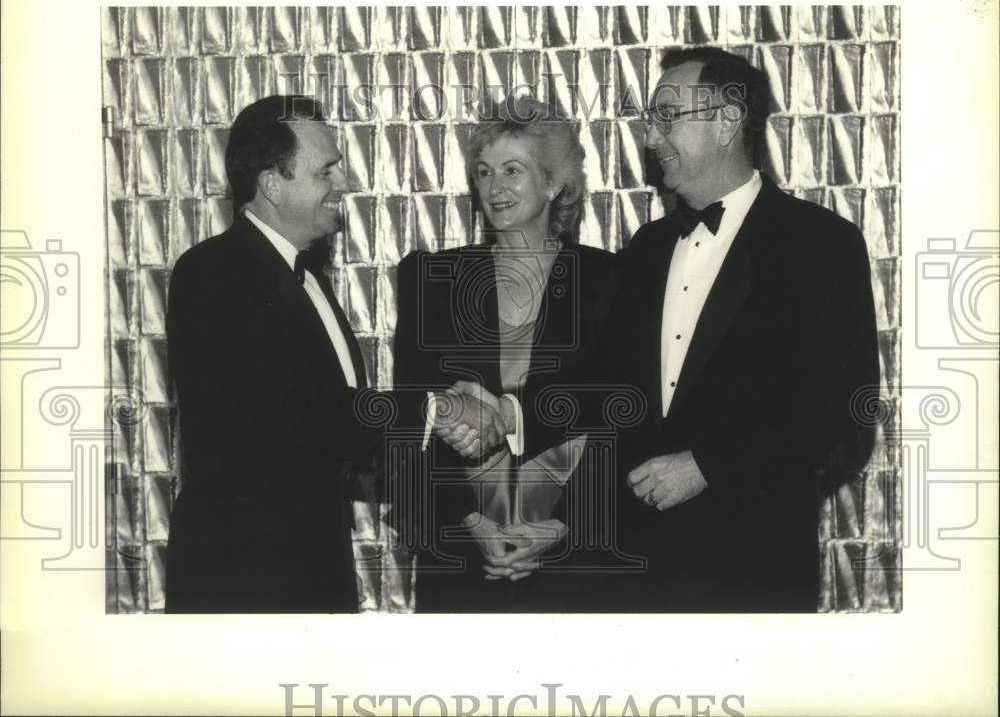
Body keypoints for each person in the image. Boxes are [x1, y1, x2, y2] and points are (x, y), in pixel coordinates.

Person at [165, 95, 504, 613]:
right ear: (272, 184)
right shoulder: (213, 274)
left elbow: (342, 423)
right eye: (326, 171)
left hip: (309, 567)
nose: (342, 184)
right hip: (245, 581)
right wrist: (438, 409)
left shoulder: (304, 277)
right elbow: (306, 411)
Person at [573, 46, 880, 611]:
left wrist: (709, 466)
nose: (650, 138)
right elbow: (600, 388)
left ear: (727, 121)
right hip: (632, 578)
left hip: (751, 571)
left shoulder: (820, 245)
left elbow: (842, 416)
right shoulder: (646, 250)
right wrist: (508, 414)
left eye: (667, 116)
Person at [392, 96, 620, 612]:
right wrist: (471, 525)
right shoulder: (433, 279)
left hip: (576, 559)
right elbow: (411, 423)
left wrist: (563, 527)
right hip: (460, 555)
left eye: (513, 170)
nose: (495, 188)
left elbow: (622, 415)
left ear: (555, 182)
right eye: (484, 172)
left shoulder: (612, 281)